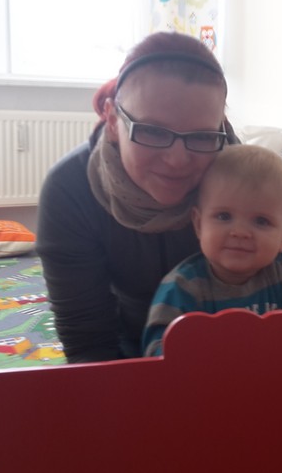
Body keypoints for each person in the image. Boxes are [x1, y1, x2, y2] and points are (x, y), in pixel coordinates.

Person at [36, 32, 238, 363]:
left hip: (234, 348)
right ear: (113, 121)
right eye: (152, 131)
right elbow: (88, 343)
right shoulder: (70, 189)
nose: (177, 160)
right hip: (127, 350)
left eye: (202, 136)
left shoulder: (256, 183)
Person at [142, 144, 282, 357]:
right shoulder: (183, 287)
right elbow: (156, 353)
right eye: (224, 216)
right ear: (199, 225)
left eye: (261, 221)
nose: (240, 232)